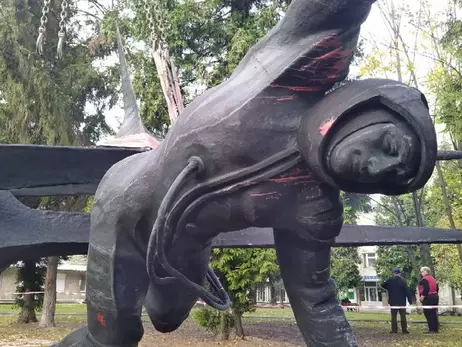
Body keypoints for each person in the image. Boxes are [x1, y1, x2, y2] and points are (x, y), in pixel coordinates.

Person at [52, 0, 437, 346]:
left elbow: (315, 296)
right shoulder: (300, 62)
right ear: (371, 107)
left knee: (166, 319)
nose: (376, 166)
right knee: (109, 336)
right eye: (390, 147)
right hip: (124, 200)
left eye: (388, 177)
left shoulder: (314, 207)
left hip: (182, 248)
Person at [381, 268, 413, 334]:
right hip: (401, 301)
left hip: (393, 301)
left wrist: (387, 286)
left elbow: (382, 284)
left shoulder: (389, 280)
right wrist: (410, 300)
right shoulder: (403, 281)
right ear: (399, 273)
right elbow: (407, 291)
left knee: (393, 316)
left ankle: (394, 330)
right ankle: (404, 330)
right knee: (403, 316)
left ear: (393, 273)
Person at [419, 266, 439, 333]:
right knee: (434, 313)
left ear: (426, 272)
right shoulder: (433, 279)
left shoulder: (424, 279)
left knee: (428, 313)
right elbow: (437, 288)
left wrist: (422, 296)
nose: (421, 273)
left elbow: (426, 288)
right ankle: (435, 328)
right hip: (435, 296)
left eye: (422, 271)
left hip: (428, 297)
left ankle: (431, 329)